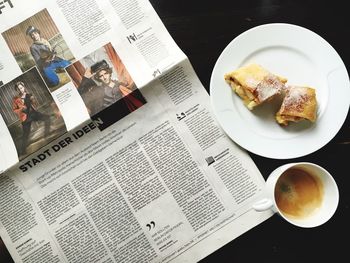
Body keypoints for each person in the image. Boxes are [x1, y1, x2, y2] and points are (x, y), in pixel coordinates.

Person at [12, 81, 51, 155]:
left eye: (21, 88)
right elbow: (14, 110)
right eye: (18, 89)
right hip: (25, 118)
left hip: (33, 113)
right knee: (25, 134)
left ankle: (46, 135)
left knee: (47, 118)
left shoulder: (29, 95)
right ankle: (23, 151)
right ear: (16, 90)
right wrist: (21, 109)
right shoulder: (15, 99)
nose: (20, 90)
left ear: (23, 87)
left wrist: (33, 100)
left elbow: (35, 104)